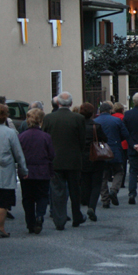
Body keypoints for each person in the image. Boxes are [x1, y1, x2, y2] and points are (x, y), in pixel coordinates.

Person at [42, 91, 86, 230]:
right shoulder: (78, 118)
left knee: (57, 191)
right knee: (75, 190)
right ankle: (76, 216)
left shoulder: (49, 118)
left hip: (55, 160)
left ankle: (59, 220)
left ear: (58, 103)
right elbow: (82, 140)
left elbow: (45, 138)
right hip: (74, 159)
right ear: (71, 103)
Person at [0, 104, 28, 238]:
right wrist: (23, 169)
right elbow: (18, 153)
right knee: (3, 200)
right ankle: (1, 228)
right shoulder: (9, 132)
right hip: (5, 168)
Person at [18, 108, 55, 234]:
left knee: (27, 198)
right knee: (42, 196)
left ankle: (30, 222)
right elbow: (51, 154)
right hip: (42, 170)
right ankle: (40, 215)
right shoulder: (46, 137)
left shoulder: (21, 137)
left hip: (26, 171)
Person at [94, 102, 129, 206]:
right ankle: (114, 190)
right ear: (110, 110)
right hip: (114, 149)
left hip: (100, 151)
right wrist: (117, 140)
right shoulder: (116, 120)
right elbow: (125, 134)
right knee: (119, 171)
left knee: (103, 176)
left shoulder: (95, 122)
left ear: (100, 111)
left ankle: (105, 199)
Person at [80, 103, 108, 221]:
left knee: (85, 182)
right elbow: (105, 139)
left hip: (82, 157)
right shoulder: (96, 126)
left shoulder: (78, 126)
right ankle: (92, 206)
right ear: (92, 113)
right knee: (96, 184)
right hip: (95, 156)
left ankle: (86, 201)